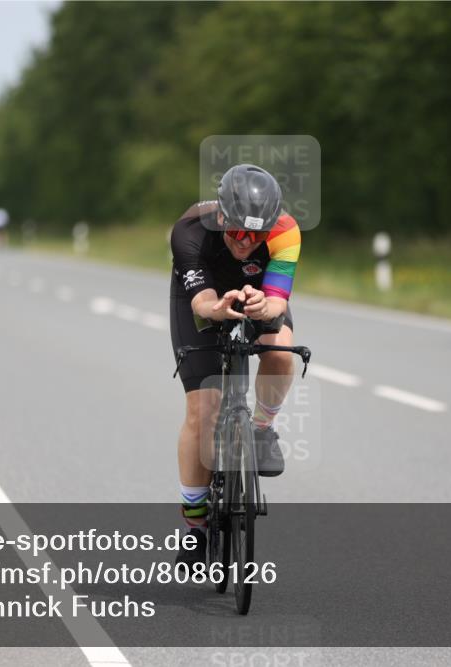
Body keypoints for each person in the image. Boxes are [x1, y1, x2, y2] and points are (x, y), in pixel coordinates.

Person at [169, 164, 301, 569]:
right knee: (203, 411)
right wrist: (219, 308)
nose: (246, 242)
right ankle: (195, 526)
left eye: (256, 235)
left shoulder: (285, 231)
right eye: (238, 232)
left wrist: (265, 305)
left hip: (256, 291)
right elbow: (202, 303)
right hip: (203, 296)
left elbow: (278, 300)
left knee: (281, 351)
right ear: (221, 216)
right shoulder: (190, 230)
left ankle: (262, 428)